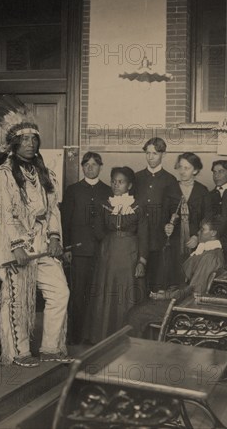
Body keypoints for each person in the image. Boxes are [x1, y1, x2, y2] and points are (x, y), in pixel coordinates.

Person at [0, 95, 71, 367]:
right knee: (17, 299)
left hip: (43, 244)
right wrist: (17, 245)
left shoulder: (45, 174)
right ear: (14, 143)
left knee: (60, 292)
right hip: (15, 247)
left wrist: (55, 238)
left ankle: (50, 347)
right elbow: (5, 216)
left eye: (34, 140)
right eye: (25, 140)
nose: (30, 144)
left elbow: (53, 209)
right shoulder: (4, 175)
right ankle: (19, 352)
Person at [126, 215, 225, 338]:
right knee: (141, 309)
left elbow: (194, 290)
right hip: (184, 299)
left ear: (213, 233)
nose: (198, 233)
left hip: (186, 306)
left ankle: (135, 354)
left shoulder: (210, 257)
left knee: (135, 314)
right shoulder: (208, 251)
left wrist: (166, 296)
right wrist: (169, 292)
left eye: (202, 230)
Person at [89, 167, 149, 343]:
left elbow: (144, 236)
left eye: (120, 182)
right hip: (108, 255)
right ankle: (103, 337)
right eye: (113, 181)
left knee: (126, 296)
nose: (116, 185)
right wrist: (111, 240)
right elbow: (98, 232)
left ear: (129, 185)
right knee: (107, 294)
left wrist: (142, 261)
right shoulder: (104, 205)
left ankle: (126, 338)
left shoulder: (138, 206)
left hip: (130, 255)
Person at [60, 152, 112, 344]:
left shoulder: (107, 191)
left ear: (100, 167)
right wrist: (67, 248)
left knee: (96, 293)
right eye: (86, 164)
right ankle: (75, 336)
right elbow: (65, 221)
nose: (90, 168)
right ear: (82, 167)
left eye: (94, 164)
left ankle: (93, 335)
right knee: (77, 294)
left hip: (101, 251)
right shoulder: (73, 190)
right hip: (79, 251)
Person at [162, 152, 211, 288]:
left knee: (192, 281)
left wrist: (197, 237)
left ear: (195, 170)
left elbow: (207, 219)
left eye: (187, 168)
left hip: (195, 243)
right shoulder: (170, 189)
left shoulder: (202, 191)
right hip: (174, 243)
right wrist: (166, 226)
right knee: (174, 279)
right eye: (180, 167)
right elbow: (162, 217)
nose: (182, 171)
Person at [135, 138, 177, 291]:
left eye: (155, 153)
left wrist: (171, 223)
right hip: (137, 237)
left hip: (158, 237)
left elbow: (175, 209)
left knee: (155, 279)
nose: (150, 157)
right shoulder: (136, 178)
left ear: (163, 154)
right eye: (148, 153)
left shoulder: (170, 180)